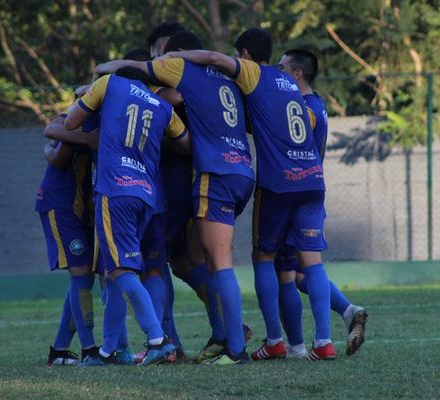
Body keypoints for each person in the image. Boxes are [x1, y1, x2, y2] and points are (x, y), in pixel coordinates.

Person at [161, 28, 336, 361]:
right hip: (313, 179)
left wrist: (174, 56)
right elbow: (307, 126)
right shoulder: (300, 97)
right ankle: (323, 342)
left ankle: (273, 340)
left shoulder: (256, 75)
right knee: (310, 265)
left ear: (243, 55)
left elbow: (213, 58)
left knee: (263, 259)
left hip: (278, 183)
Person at [96, 30, 256, 365]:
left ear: (178, 51)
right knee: (189, 263)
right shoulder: (227, 75)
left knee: (156, 266)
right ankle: (225, 328)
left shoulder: (171, 76)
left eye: (161, 52)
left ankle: (169, 343)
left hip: (172, 184)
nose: (158, 59)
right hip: (230, 171)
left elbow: (170, 106)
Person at [65, 66, 190, 366]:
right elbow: (185, 143)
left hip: (115, 190)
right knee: (112, 274)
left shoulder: (109, 84)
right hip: (146, 194)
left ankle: (158, 340)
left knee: (120, 271)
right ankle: (109, 351)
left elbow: (71, 122)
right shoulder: (162, 106)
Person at [276, 49, 368, 358]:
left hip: (291, 188)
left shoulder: (300, 108)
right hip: (315, 186)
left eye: (282, 67)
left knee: (288, 270)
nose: (278, 72)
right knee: (305, 271)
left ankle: (301, 345)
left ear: (297, 74)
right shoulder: (319, 105)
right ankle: (345, 311)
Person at [35, 113, 100, 367]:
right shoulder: (77, 117)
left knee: (85, 277)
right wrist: (85, 139)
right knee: (81, 275)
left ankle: (60, 350)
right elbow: (54, 138)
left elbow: (51, 151)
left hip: (81, 208)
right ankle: (90, 350)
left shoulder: (113, 118)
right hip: (61, 204)